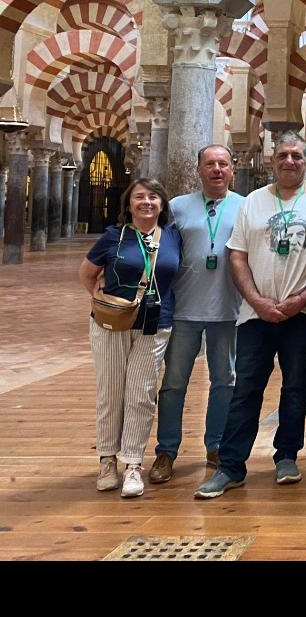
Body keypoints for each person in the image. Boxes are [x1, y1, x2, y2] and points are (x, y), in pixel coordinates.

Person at [194, 133, 306, 498]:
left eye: (296, 156)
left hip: (302, 313)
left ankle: (286, 456)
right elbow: (237, 255)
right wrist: (257, 300)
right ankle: (231, 466)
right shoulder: (253, 201)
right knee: (246, 388)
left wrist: (302, 299)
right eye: (282, 155)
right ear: (272, 160)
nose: (289, 161)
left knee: (295, 385)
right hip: (254, 314)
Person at [79, 177, 182, 498]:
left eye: (153, 196)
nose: (146, 202)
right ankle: (107, 459)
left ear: (162, 204)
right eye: (139, 197)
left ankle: (133, 463)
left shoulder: (173, 236)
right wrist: (99, 298)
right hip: (112, 324)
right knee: (111, 392)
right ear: (129, 203)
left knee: (141, 394)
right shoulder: (114, 235)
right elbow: (87, 273)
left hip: (155, 323)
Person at [148, 145, 242, 484]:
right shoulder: (177, 207)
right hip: (183, 309)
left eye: (223, 164)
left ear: (232, 169)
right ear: (199, 169)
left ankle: (216, 445)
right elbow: (159, 250)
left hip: (228, 309)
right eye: (210, 164)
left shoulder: (245, 206)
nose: (217, 169)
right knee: (174, 383)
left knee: (225, 381)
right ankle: (166, 450)